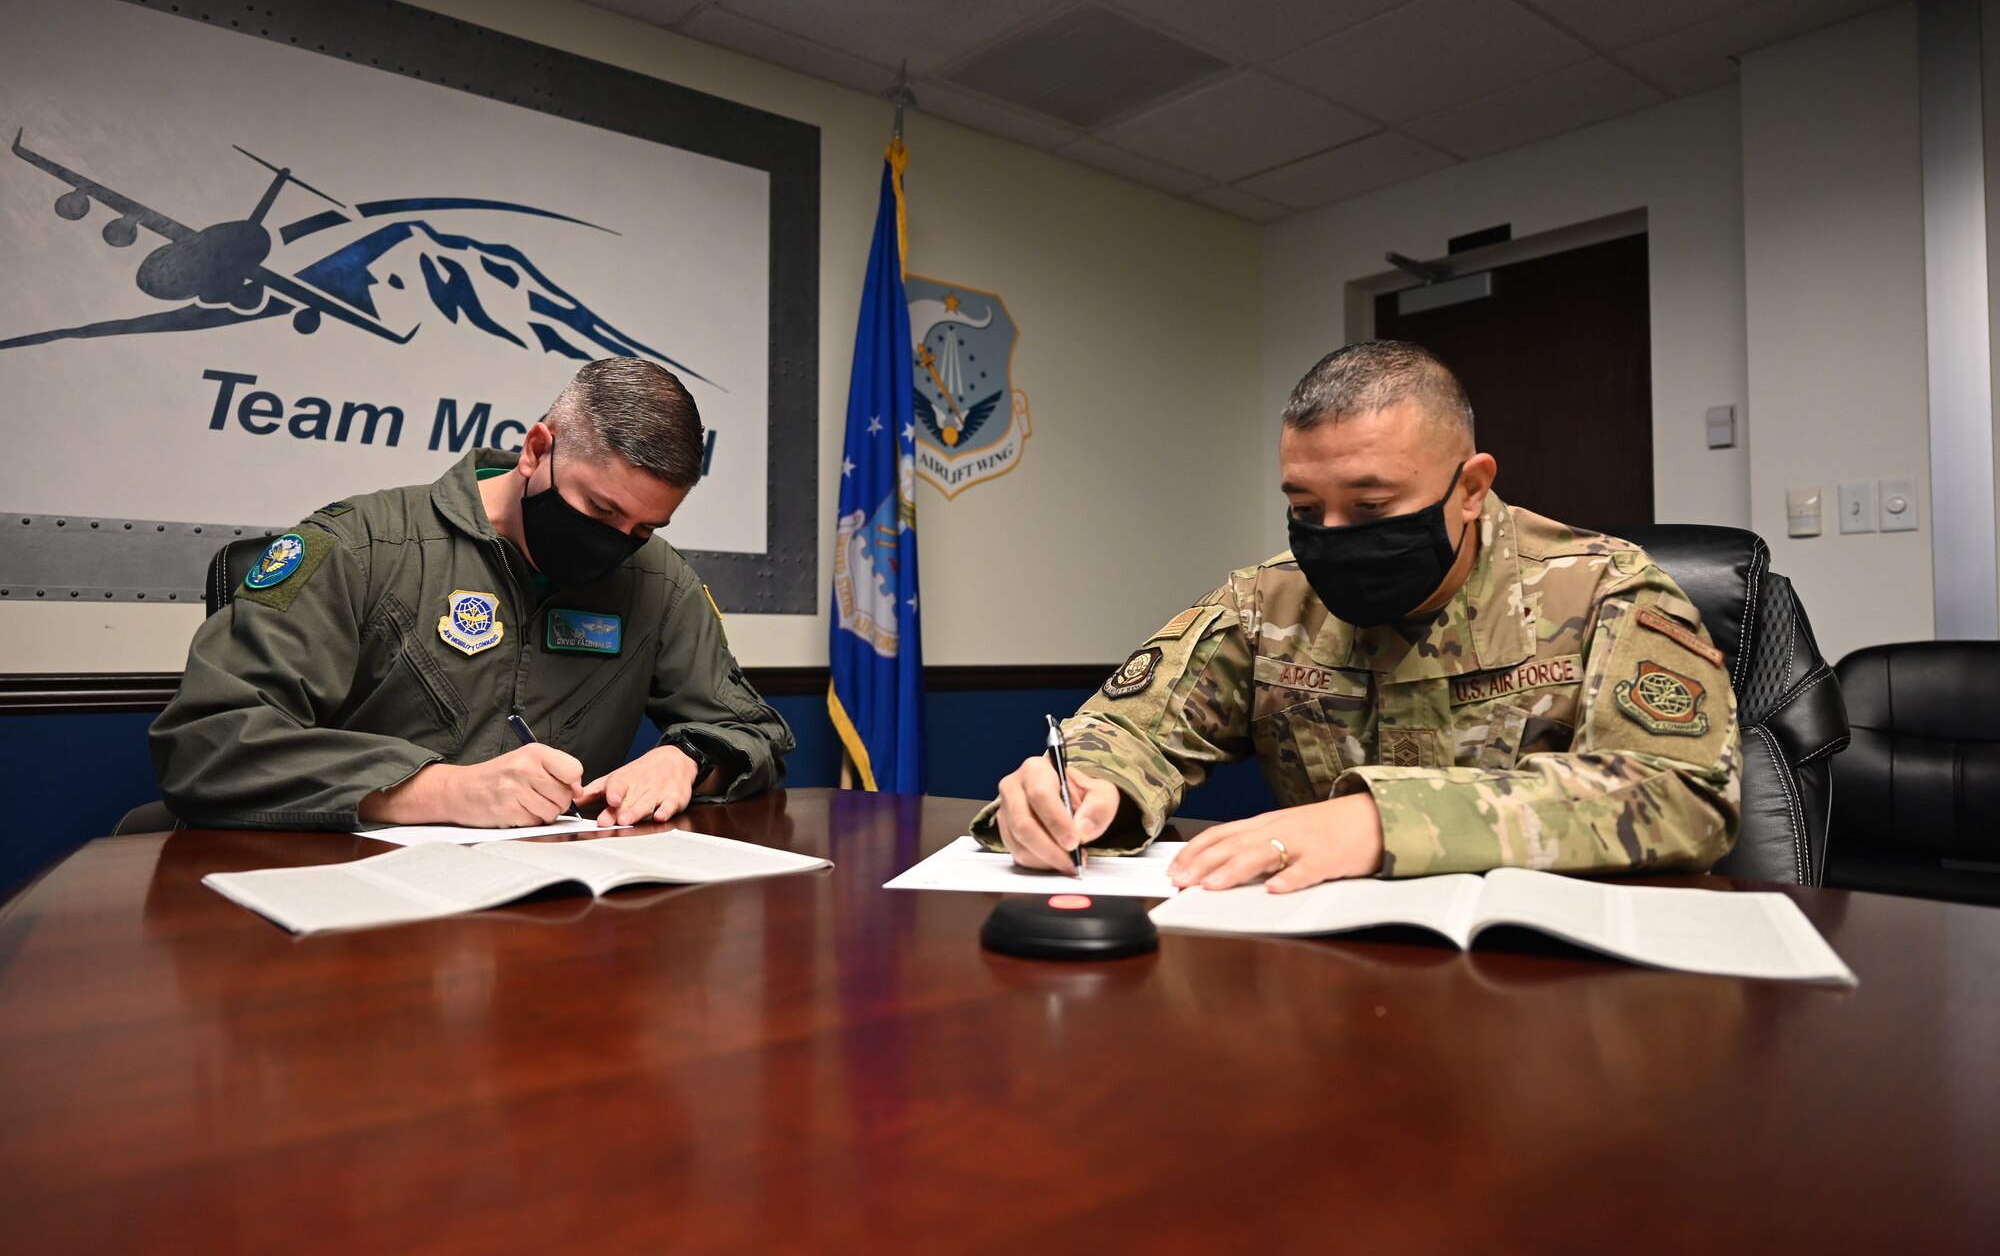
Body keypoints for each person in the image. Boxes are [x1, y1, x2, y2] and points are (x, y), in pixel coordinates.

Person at [978, 340, 1739, 892]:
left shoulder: (1608, 592)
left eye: (1372, 506)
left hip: (1544, 989)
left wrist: (1383, 822)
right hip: (1329, 979)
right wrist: (1078, 785)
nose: (1331, 538)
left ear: (1471, 487)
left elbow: (1684, 795)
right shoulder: (1267, 607)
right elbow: (1132, 727)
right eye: (1306, 509)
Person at [151, 356, 793, 831]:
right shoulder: (362, 546)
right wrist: (435, 791)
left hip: (556, 923)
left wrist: (685, 759)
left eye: (646, 526)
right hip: (354, 909)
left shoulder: (659, 582)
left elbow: (749, 728)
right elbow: (209, 741)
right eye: (600, 511)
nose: (620, 542)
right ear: (537, 450)